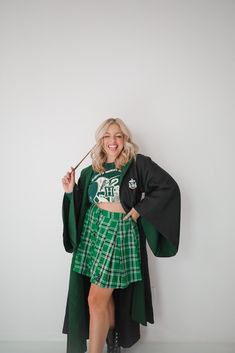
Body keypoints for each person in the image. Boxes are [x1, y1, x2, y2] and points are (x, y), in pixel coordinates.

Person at [61, 118, 181, 353]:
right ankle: (112, 338)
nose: (112, 141)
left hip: (119, 232)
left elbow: (168, 187)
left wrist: (139, 210)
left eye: (118, 135)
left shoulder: (138, 165)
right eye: (107, 136)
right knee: (100, 297)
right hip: (93, 231)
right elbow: (81, 204)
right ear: (100, 140)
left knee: (95, 298)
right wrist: (69, 192)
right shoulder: (90, 171)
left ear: (125, 139)